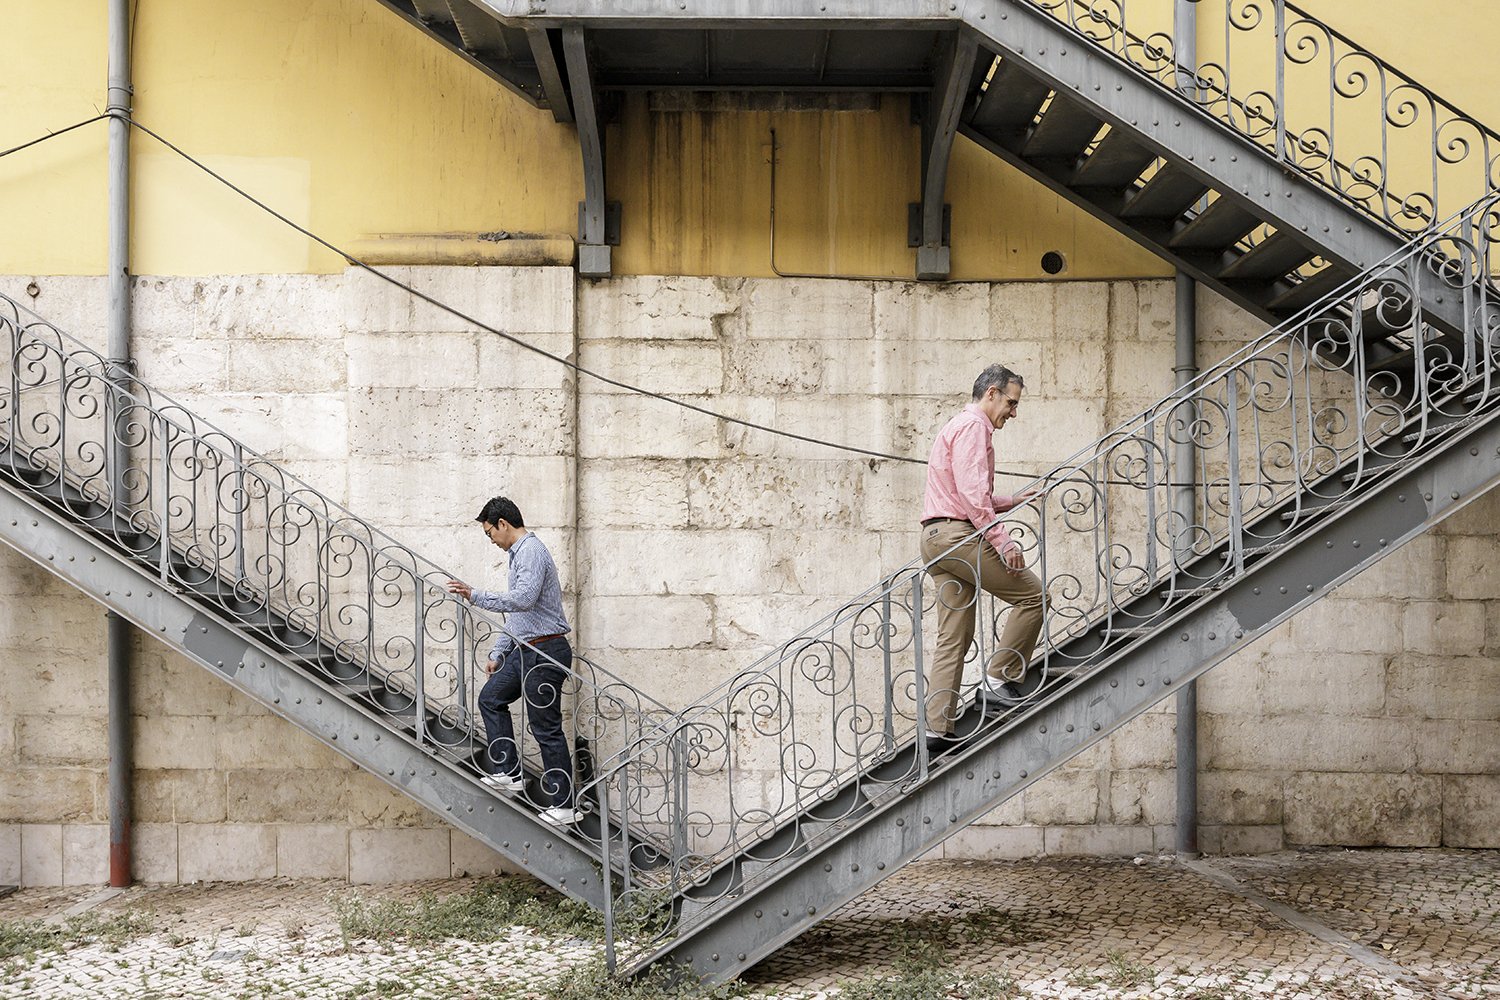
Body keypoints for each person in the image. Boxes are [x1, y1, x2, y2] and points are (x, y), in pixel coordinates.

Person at [918, 364, 1047, 755]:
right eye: (1011, 402)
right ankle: (998, 679)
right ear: (991, 393)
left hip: (934, 539)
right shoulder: (975, 427)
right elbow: (973, 497)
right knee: (1033, 597)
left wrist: (1010, 501)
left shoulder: (957, 425)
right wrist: (1003, 540)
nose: (1013, 411)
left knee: (953, 636)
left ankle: (936, 729)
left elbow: (967, 491)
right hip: (958, 536)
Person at [446, 496, 580, 827]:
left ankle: (564, 805)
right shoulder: (518, 556)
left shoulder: (531, 552)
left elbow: (522, 600)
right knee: (491, 698)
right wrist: (498, 653)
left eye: (490, 532)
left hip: (546, 652)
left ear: (503, 524)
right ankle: (509, 771)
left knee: (545, 727)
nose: (491, 540)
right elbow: (520, 617)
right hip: (526, 650)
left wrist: (475, 595)